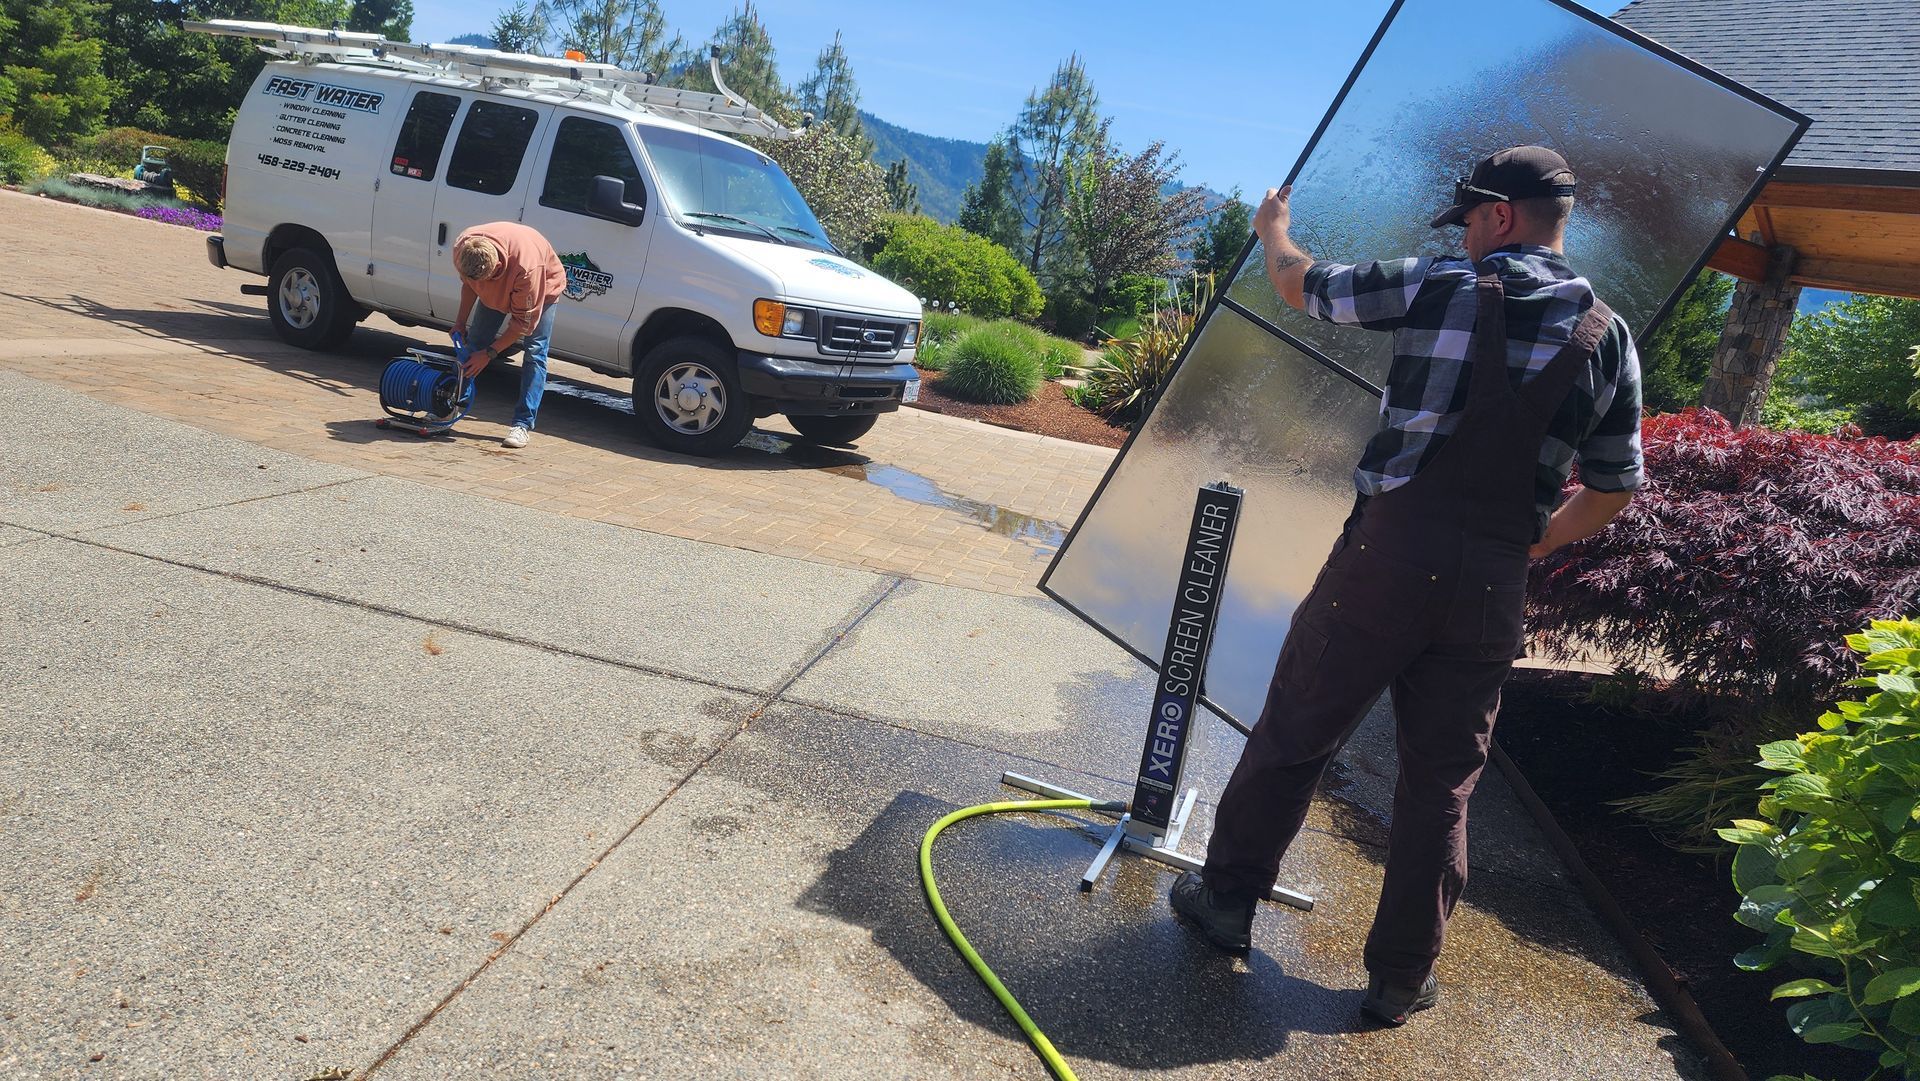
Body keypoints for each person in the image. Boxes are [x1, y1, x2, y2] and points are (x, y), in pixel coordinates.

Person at [1169, 146, 1645, 1026]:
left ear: (1499, 215)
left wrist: (1275, 229)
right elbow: (1614, 485)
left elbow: (1301, 286)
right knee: (1441, 784)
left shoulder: (1435, 285)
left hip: (1384, 562)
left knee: (1297, 730)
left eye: (1467, 219)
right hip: (1491, 586)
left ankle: (1227, 902)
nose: (1462, 236)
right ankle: (1398, 979)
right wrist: (1534, 540)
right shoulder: (1607, 334)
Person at [450, 222, 568, 449]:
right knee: (474, 343)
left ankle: (522, 424)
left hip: (544, 285)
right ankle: (451, 406)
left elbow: (522, 325)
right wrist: (460, 322)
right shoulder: (464, 247)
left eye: (485, 281)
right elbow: (469, 285)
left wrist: (490, 354)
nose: (480, 286)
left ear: (497, 267)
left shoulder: (527, 271)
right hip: (504, 280)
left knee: (535, 353)